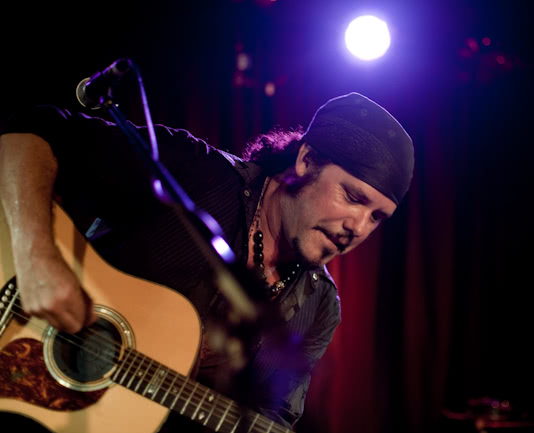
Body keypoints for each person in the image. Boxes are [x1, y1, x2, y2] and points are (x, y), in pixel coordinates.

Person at [0, 91, 414, 431]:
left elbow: (272, 417)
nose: (358, 227)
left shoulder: (318, 307)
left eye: (377, 218)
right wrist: (37, 260)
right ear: (306, 161)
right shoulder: (199, 177)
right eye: (352, 197)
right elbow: (31, 134)